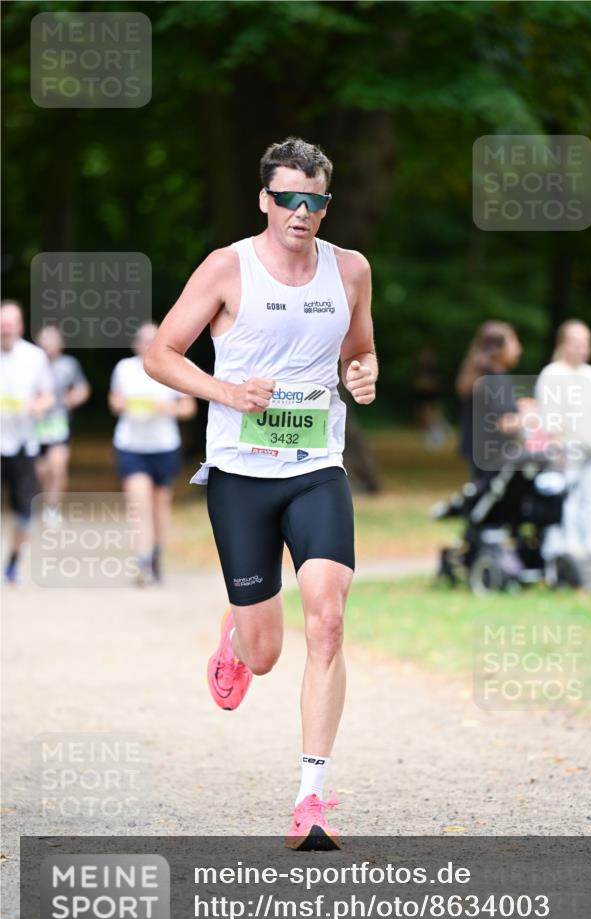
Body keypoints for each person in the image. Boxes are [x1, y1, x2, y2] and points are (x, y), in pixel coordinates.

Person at [144, 137, 377, 850]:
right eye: (287, 199)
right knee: (268, 652)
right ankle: (238, 639)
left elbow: (358, 351)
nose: (300, 213)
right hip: (242, 474)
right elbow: (160, 354)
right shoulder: (227, 268)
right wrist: (224, 390)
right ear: (264, 200)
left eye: (314, 201)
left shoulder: (351, 270)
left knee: (329, 619)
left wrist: (364, 375)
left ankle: (310, 798)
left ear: (325, 205)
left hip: (315, 466)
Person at [108, 322, 196, 585]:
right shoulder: (124, 368)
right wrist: (121, 404)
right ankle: (142, 561)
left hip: (164, 446)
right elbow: (113, 402)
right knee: (139, 504)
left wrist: (167, 409)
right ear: (135, 344)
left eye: (152, 339)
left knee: (159, 506)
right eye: (142, 339)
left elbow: (189, 407)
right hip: (131, 445)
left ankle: (157, 554)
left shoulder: (173, 366)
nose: (147, 344)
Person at [536, 319, 591, 586]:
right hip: (567, 456)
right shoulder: (553, 374)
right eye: (576, 342)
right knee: (565, 510)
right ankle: (565, 563)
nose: (582, 349)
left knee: (590, 509)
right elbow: (550, 418)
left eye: (586, 343)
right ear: (564, 344)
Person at [0, 300, 55, 583]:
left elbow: (48, 395)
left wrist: (38, 406)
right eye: (2, 322)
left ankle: (12, 561)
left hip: (24, 444)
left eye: (10, 322)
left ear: (20, 326)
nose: (5, 327)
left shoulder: (35, 357)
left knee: (24, 510)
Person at [34, 325, 91, 524]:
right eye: (44, 341)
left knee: (57, 467)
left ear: (61, 345)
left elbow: (83, 388)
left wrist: (72, 399)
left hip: (58, 423)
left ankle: (52, 506)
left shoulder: (69, 364)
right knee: (41, 471)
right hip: (33, 424)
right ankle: (38, 501)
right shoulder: (30, 364)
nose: (48, 346)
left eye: (53, 341)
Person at [455, 320, 523, 484]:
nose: (519, 349)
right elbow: (503, 423)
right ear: (497, 349)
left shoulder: (479, 376)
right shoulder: (496, 379)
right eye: (513, 342)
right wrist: (535, 418)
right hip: (494, 454)